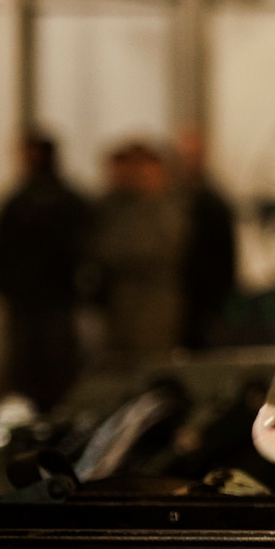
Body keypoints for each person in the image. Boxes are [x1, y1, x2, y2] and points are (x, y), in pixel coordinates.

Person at [0, 133, 92, 406]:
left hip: (56, 300)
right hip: (27, 302)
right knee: (28, 370)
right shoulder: (19, 202)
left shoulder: (63, 201)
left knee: (56, 368)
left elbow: (82, 249)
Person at [91, 139, 186, 368]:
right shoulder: (118, 207)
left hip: (154, 308)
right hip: (122, 307)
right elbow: (105, 248)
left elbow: (159, 250)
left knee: (153, 366)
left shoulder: (169, 208)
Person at [173, 127, 238, 350]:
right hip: (180, 299)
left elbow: (225, 256)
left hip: (207, 300)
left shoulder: (214, 204)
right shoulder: (173, 200)